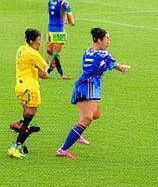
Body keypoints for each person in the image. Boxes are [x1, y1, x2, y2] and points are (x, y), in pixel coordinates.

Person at [56, 27, 130, 159]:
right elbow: (113, 64)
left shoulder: (88, 52)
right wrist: (122, 67)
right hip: (87, 87)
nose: (109, 41)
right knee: (87, 119)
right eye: (107, 39)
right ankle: (63, 149)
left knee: (95, 114)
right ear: (99, 40)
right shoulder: (103, 54)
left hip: (91, 86)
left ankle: (78, 133)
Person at [8, 28, 51, 159]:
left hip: (20, 87)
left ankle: (22, 133)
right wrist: (52, 56)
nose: (40, 42)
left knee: (27, 117)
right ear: (32, 41)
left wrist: (36, 70)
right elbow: (46, 72)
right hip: (30, 88)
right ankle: (15, 146)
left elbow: (29, 67)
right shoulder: (34, 54)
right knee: (28, 120)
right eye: (39, 39)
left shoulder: (21, 49)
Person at [45, 0, 75, 79]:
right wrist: (64, 19)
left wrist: (70, 21)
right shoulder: (50, 2)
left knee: (54, 53)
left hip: (59, 32)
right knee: (49, 51)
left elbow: (69, 13)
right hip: (50, 30)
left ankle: (57, 73)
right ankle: (50, 68)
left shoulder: (64, 3)